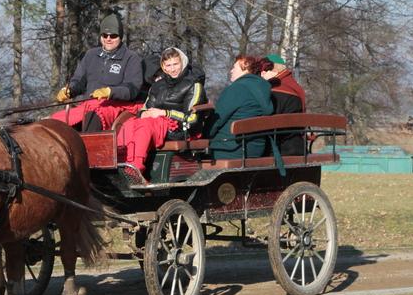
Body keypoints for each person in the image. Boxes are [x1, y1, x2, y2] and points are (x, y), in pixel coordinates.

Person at [117, 47, 207, 175]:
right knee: (129, 124)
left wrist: (165, 113)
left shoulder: (194, 85)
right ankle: (120, 165)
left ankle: (135, 169)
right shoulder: (157, 86)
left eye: (175, 64)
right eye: (168, 65)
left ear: (183, 63)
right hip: (158, 123)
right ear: (163, 67)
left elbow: (192, 119)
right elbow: (145, 108)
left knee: (145, 125)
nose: (172, 69)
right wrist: (144, 113)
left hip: (180, 128)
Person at [51, 13, 143, 130]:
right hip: (88, 104)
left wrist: (110, 92)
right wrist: (69, 90)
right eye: (105, 35)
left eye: (113, 35)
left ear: (120, 37)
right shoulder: (91, 55)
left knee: (92, 118)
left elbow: (133, 88)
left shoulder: (131, 58)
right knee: (55, 122)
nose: (108, 39)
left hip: (114, 106)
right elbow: (79, 80)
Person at [207, 55, 273, 159]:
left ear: (246, 68)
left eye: (234, 67)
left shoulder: (236, 89)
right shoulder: (264, 89)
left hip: (230, 149)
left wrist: (204, 135)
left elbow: (217, 120)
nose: (231, 71)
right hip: (256, 149)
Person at [258, 54, 306, 155]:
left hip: (279, 150)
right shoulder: (295, 86)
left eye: (263, 70)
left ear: (272, 71)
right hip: (298, 146)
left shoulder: (274, 90)